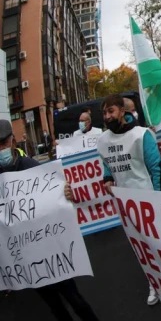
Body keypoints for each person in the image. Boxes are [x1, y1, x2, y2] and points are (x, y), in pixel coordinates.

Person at [1, 121, 102, 321]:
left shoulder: (30, 165)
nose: (1, 149)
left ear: (12, 141)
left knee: (75, 299)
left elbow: (53, 195)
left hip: (50, 250)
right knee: (54, 306)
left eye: (3, 143)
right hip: (26, 257)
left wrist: (64, 193)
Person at [96, 94, 161, 306]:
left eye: (111, 111)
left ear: (122, 111)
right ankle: (154, 283)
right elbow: (107, 163)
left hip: (147, 198)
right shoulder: (103, 140)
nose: (107, 116)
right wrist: (107, 179)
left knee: (159, 243)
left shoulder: (141, 135)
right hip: (124, 203)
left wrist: (159, 199)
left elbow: (156, 168)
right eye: (104, 113)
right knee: (140, 246)